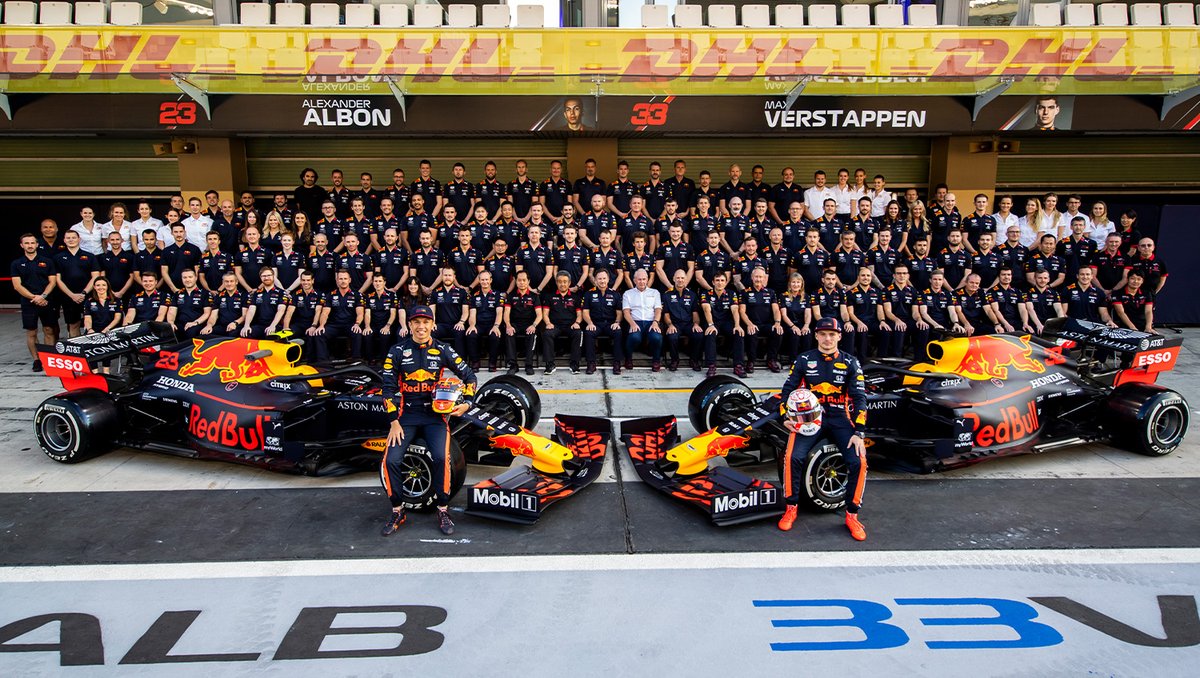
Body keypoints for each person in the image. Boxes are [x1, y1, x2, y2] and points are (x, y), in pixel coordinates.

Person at [379, 305, 477, 536]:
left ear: (432, 325)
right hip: (406, 416)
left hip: (435, 416)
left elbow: (469, 376)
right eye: (416, 322)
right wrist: (393, 421)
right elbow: (388, 388)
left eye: (425, 322)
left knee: (442, 458)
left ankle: (442, 509)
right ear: (409, 325)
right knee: (391, 460)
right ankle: (397, 510)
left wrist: (467, 402)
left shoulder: (443, 349)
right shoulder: (397, 351)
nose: (421, 327)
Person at [777, 316, 869, 541]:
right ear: (816, 336)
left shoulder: (850, 362)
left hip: (840, 418)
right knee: (793, 457)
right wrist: (785, 416)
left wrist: (859, 432)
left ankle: (852, 515)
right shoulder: (804, 359)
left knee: (859, 461)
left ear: (839, 336)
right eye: (823, 334)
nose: (828, 339)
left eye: (832, 335)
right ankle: (791, 507)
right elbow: (787, 390)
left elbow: (859, 397)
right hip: (810, 417)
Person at [11, 233, 60, 370]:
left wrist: (43, 296)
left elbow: (52, 282)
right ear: (22, 245)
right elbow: (17, 286)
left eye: (32, 243)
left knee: (49, 330)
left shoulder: (47, 261)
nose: (30, 245)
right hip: (29, 302)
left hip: (46, 300)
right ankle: (37, 360)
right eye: (26, 243)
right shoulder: (16, 263)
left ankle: (49, 360)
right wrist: (34, 298)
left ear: (37, 244)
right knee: (31, 332)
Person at [54, 230, 100, 337]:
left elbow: (95, 276)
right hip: (68, 297)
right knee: (73, 325)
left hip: (88, 296)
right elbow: (58, 279)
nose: (71, 240)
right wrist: (72, 295)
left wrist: (84, 293)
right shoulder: (58, 258)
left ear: (79, 239)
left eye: (74, 238)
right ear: (64, 240)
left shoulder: (90, 256)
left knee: (92, 324)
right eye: (68, 238)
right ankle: (77, 347)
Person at [701, 271, 745, 377]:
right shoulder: (705, 294)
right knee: (710, 334)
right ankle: (711, 366)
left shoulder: (731, 294)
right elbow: (706, 309)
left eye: (722, 280)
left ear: (726, 282)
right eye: (717, 280)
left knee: (738, 333)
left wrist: (737, 325)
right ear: (713, 282)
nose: (720, 283)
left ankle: (738, 366)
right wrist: (711, 325)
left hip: (726, 322)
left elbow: (735, 310)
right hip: (712, 322)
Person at [582, 269, 625, 374]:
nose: (602, 281)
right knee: (588, 333)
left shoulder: (615, 294)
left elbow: (619, 312)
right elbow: (585, 312)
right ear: (595, 280)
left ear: (608, 279)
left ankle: (617, 363)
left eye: (604, 278)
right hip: (595, 324)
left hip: (610, 324)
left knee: (618, 332)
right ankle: (591, 363)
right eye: (599, 279)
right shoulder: (589, 294)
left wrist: (617, 322)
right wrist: (590, 323)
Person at [622, 268, 664, 371]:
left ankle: (656, 360)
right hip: (635, 322)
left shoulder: (655, 292)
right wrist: (632, 324)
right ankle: (628, 359)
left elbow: (658, 310)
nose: (642, 282)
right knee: (634, 337)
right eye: (639, 279)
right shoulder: (628, 293)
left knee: (656, 337)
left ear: (647, 279)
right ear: (634, 280)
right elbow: (626, 312)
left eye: (644, 279)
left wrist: (655, 322)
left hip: (651, 322)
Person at [662, 268, 704, 371]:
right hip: (674, 324)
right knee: (672, 336)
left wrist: (696, 324)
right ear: (673, 279)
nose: (680, 280)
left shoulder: (692, 295)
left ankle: (694, 360)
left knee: (698, 334)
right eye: (678, 278)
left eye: (682, 278)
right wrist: (670, 325)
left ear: (685, 279)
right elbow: (666, 314)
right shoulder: (667, 295)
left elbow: (695, 313)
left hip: (688, 324)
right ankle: (674, 360)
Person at [542, 271, 582, 374]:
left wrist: (577, 323)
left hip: (570, 325)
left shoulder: (576, 297)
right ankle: (550, 364)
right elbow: (545, 313)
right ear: (556, 282)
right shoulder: (549, 296)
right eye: (559, 281)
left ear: (569, 283)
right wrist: (548, 323)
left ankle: (575, 364)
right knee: (547, 334)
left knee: (578, 333)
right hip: (555, 325)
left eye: (565, 281)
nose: (562, 284)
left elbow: (579, 314)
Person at [503, 270, 542, 375]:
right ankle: (513, 365)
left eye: (524, 280)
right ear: (516, 282)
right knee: (509, 333)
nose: (522, 282)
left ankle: (529, 365)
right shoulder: (510, 296)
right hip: (514, 324)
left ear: (528, 281)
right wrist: (508, 325)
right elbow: (506, 313)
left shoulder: (534, 296)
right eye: (519, 280)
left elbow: (539, 315)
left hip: (530, 324)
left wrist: (534, 325)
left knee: (532, 334)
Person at [466, 270, 505, 371]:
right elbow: (472, 313)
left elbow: (499, 312)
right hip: (479, 324)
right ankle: (475, 362)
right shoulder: (474, 296)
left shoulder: (497, 295)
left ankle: (492, 363)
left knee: (495, 335)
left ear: (491, 280)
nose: (485, 282)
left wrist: (496, 326)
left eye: (487, 279)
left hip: (493, 324)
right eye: (482, 280)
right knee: (471, 334)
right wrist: (472, 325)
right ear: (479, 281)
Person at [241, 267, 290, 338]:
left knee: (271, 336)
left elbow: (281, 311)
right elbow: (251, 311)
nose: (266, 278)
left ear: (273, 276)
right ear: (260, 278)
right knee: (246, 333)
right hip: (259, 325)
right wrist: (246, 325)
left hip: (275, 325)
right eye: (264, 276)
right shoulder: (256, 293)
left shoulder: (281, 293)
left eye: (269, 275)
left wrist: (272, 326)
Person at [166, 268, 212, 339]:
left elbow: (207, 313)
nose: (187, 280)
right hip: (180, 324)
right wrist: (171, 323)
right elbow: (171, 312)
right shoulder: (177, 294)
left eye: (190, 277)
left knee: (191, 332)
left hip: (197, 324)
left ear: (196, 278)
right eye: (185, 277)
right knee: (170, 331)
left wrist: (195, 323)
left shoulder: (205, 293)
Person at [363, 273, 398, 363]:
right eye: (375, 281)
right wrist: (367, 326)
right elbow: (367, 313)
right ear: (372, 283)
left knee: (384, 335)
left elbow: (393, 313)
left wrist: (387, 326)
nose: (377, 283)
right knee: (367, 334)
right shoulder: (369, 296)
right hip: (373, 324)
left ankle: (384, 360)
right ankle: (370, 360)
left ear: (384, 283)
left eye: (380, 281)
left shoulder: (392, 295)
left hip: (387, 324)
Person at [202, 271, 248, 337]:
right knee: (205, 334)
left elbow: (245, 315)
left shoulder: (244, 295)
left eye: (231, 281)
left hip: (237, 326)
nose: (229, 284)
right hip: (222, 326)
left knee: (232, 334)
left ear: (236, 282)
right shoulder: (219, 296)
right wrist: (209, 325)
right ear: (223, 283)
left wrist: (235, 323)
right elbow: (214, 315)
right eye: (226, 281)